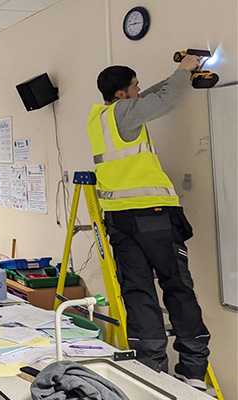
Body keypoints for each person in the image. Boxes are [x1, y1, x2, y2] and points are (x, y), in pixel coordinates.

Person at [87, 54, 210, 390]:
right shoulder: (126, 114)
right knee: (177, 287)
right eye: (135, 86)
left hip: (120, 221)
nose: (139, 90)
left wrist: (178, 76)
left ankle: (152, 368)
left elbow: (153, 96)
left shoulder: (100, 117)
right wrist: (185, 68)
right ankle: (193, 370)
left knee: (138, 291)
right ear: (123, 94)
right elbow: (167, 99)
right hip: (152, 216)